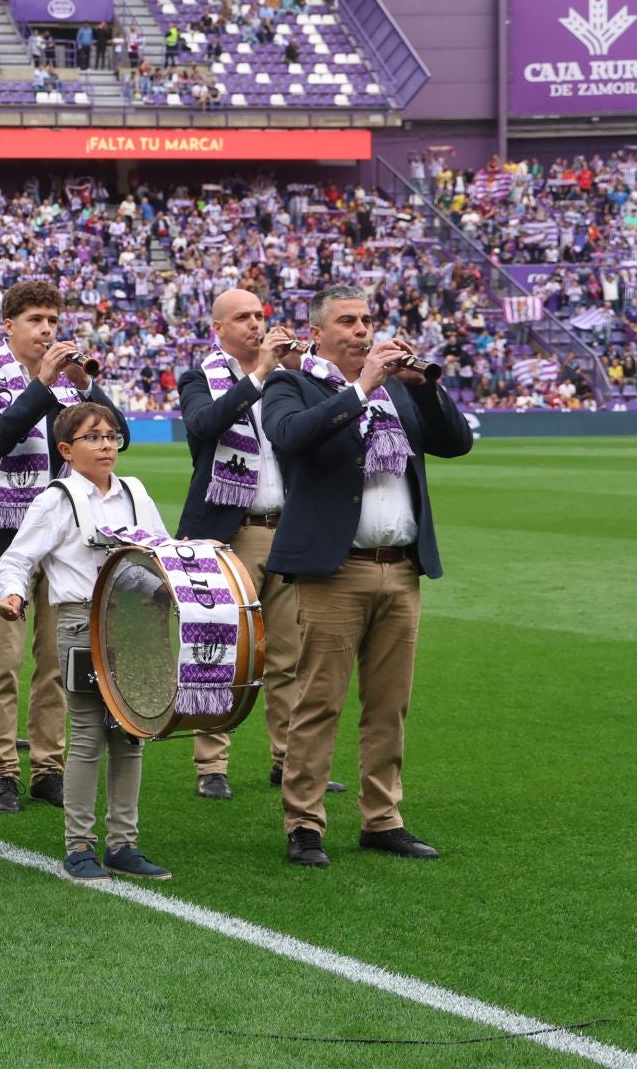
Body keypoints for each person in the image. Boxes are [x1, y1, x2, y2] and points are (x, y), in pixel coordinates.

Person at [262, 284, 474, 868]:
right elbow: (292, 437)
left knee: (389, 705)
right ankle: (304, 822)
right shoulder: (292, 384)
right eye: (348, 322)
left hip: (400, 569)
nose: (362, 331)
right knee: (319, 701)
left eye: (368, 321)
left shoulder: (397, 394)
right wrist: (361, 389)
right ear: (319, 334)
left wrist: (426, 388)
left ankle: (383, 817)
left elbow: (457, 443)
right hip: (335, 572)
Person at [0, 279, 129, 814]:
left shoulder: (70, 391)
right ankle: (2, 770)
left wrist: (85, 386)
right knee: (3, 661)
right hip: (4, 540)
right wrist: (44, 384)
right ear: (8, 328)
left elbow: (117, 434)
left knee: (56, 662)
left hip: (65, 542)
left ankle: (48, 767)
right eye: (34, 320)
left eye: (52, 321)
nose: (47, 330)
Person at [175, 289, 344, 802]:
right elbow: (204, 425)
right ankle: (211, 764)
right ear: (218, 327)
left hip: (288, 526)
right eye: (243, 318)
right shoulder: (198, 378)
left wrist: (299, 373)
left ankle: (286, 758)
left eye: (260, 316)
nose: (255, 325)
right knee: (219, 647)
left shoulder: (291, 382)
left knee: (289, 655)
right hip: (232, 531)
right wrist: (257, 377)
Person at [0, 402, 171, 882]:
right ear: (66, 450)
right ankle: (79, 846)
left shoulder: (135, 491)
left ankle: (123, 843)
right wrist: (11, 595)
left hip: (133, 624)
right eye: (93, 437)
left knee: (131, 736)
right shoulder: (58, 498)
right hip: (80, 623)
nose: (107, 444)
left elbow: (163, 553)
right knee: (90, 737)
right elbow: (17, 559)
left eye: (112, 435)